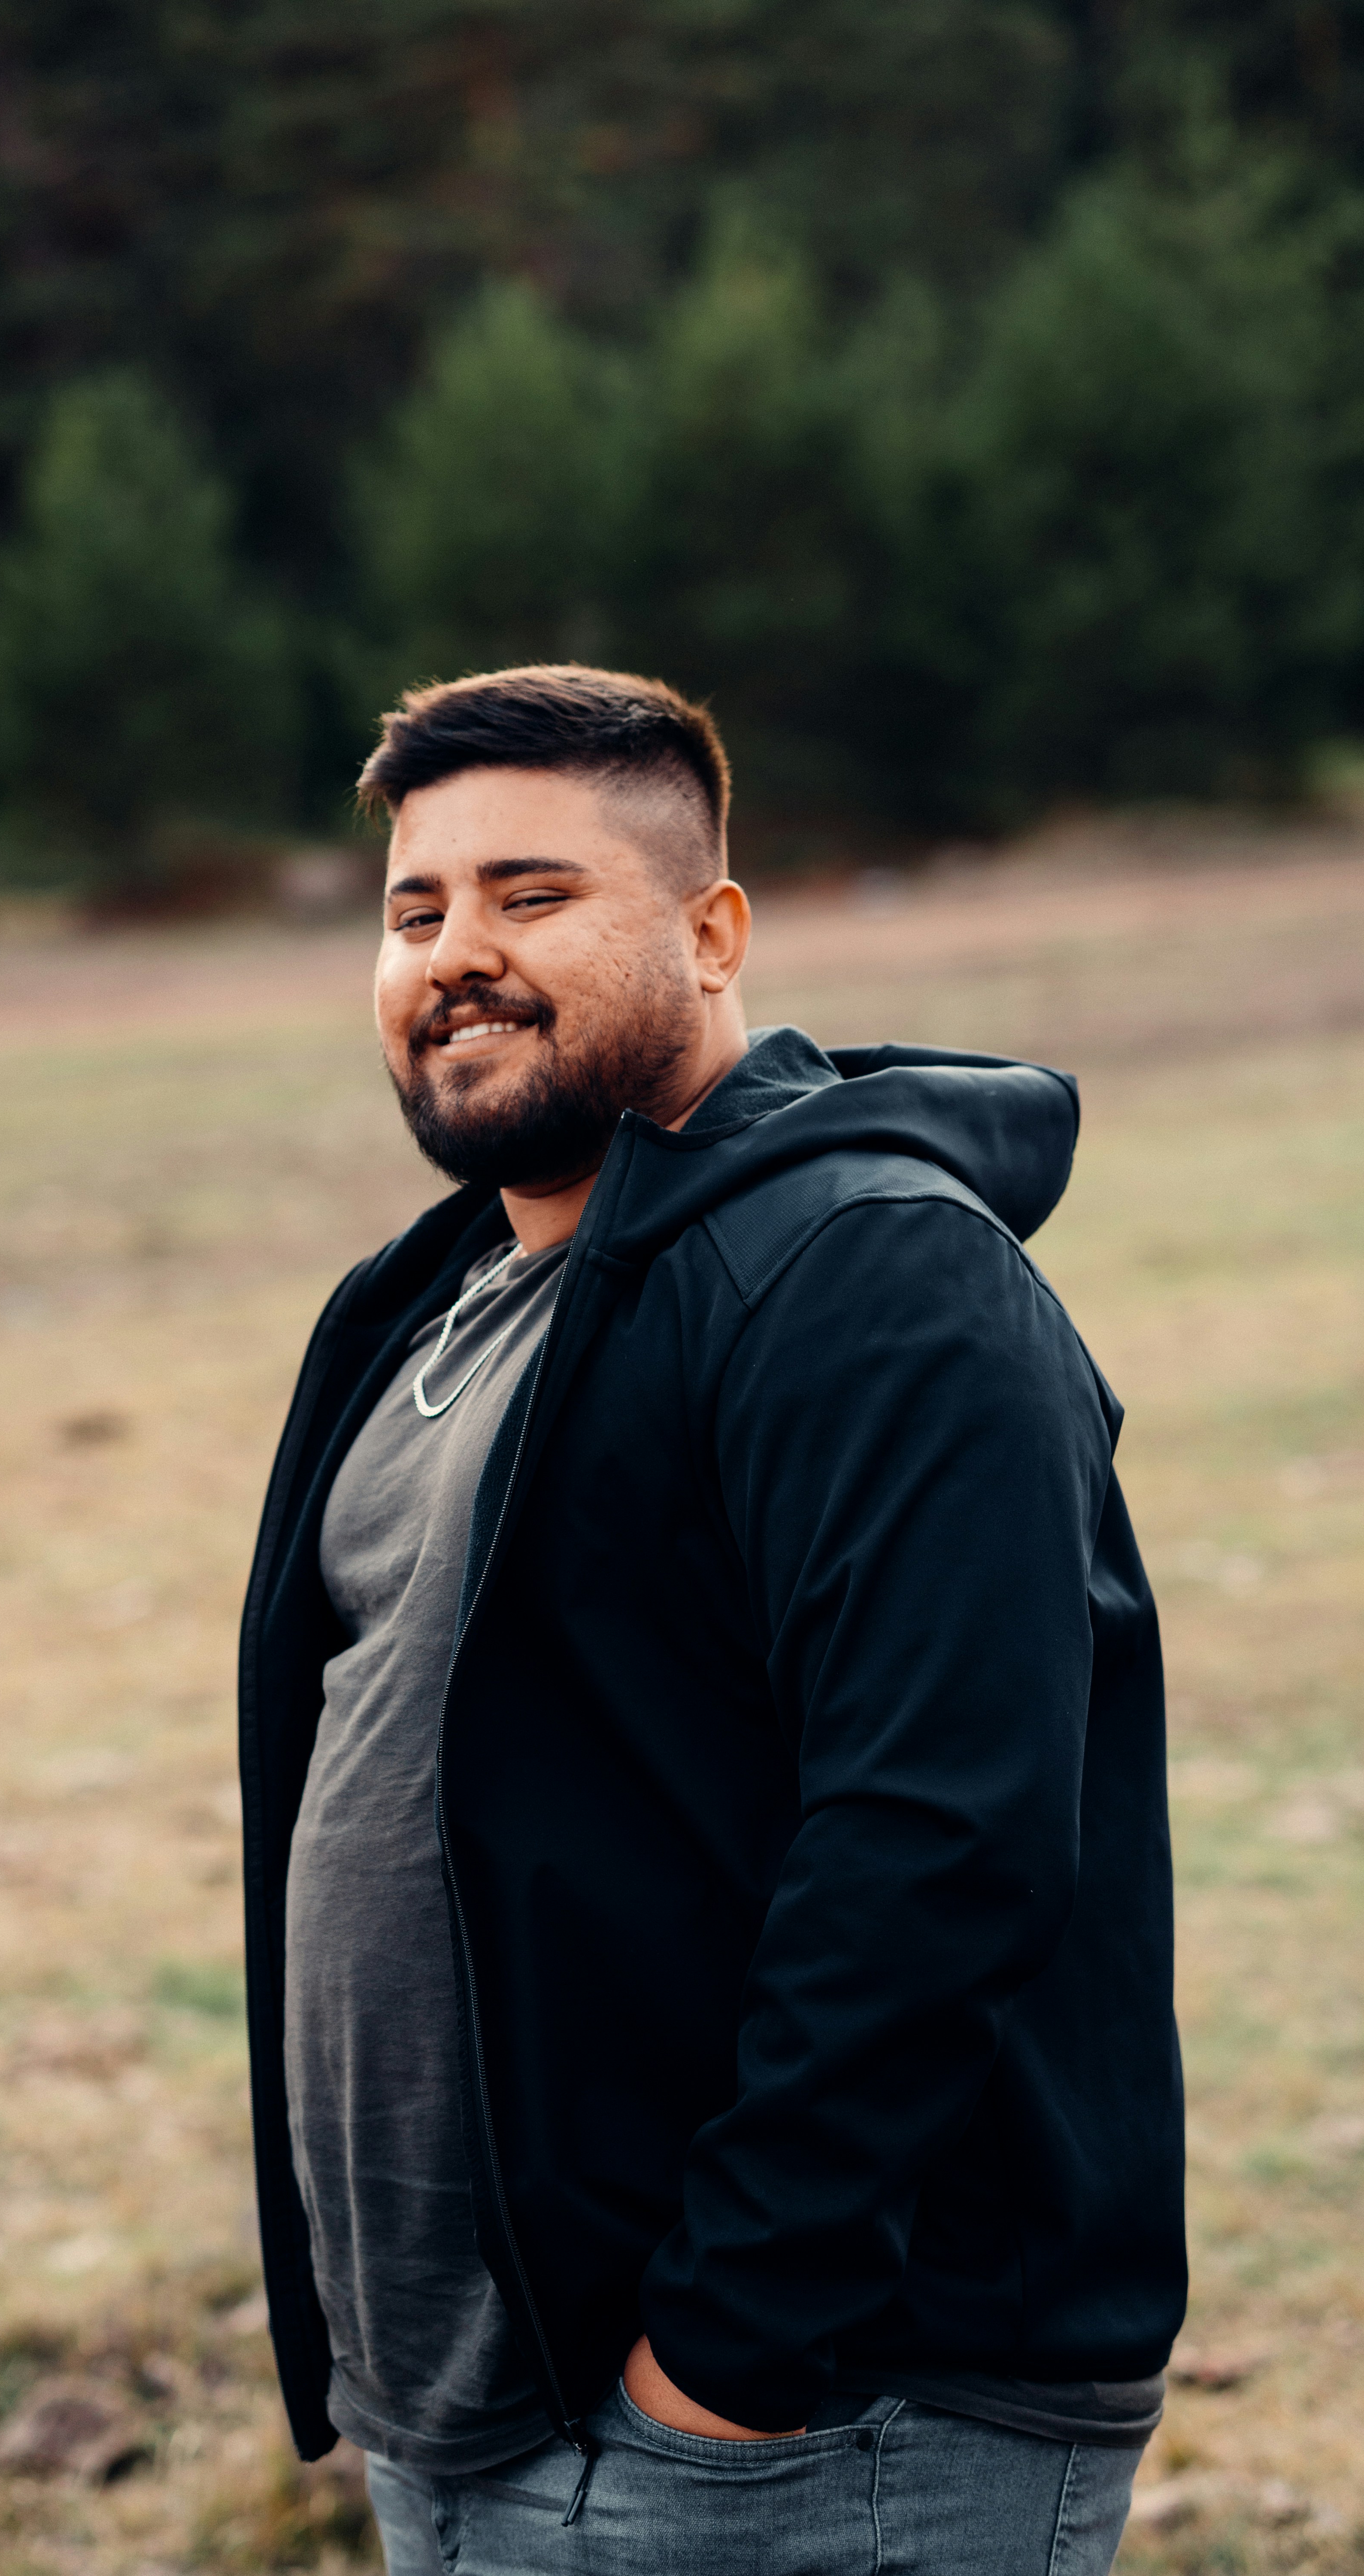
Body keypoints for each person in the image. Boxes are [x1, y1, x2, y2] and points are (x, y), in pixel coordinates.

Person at [238, 665, 1185, 2576]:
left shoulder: (870, 1274)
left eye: (532, 894)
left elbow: (943, 1842)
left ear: (712, 926)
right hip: (482, 2403)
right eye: (415, 910)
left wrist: (721, 2365)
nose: (456, 954)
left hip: (809, 2426)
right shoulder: (429, 1303)